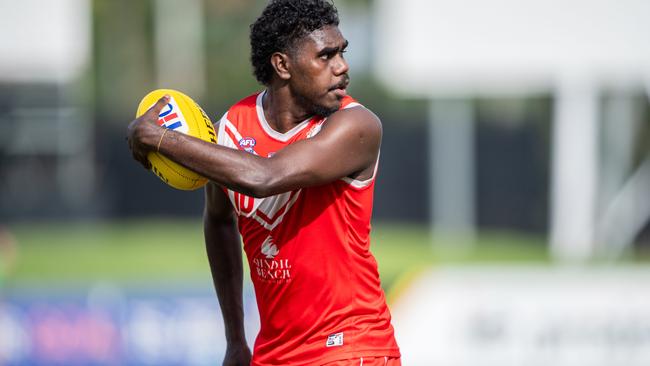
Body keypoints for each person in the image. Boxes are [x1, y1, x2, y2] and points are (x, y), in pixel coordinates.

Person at [127, 0, 401, 365]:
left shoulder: (357, 127)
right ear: (282, 65)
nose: (342, 67)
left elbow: (263, 177)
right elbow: (219, 219)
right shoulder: (232, 127)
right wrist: (235, 339)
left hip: (352, 347)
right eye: (326, 56)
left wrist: (159, 139)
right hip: (274, 353)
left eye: (342, 52)